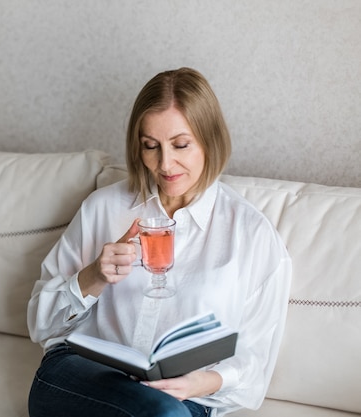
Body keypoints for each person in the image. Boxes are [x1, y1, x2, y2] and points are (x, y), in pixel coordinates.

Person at [26, 67, 292, 417]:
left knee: (164, 413)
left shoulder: (251, 234)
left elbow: (255, 361)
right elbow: (39, 324)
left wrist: (199, 383)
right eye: (151, 147)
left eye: (181, 145)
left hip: (182, 400)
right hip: (83, 377)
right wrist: (93, 276)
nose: (165, 164)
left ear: (210, 140)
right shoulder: (103, 208)